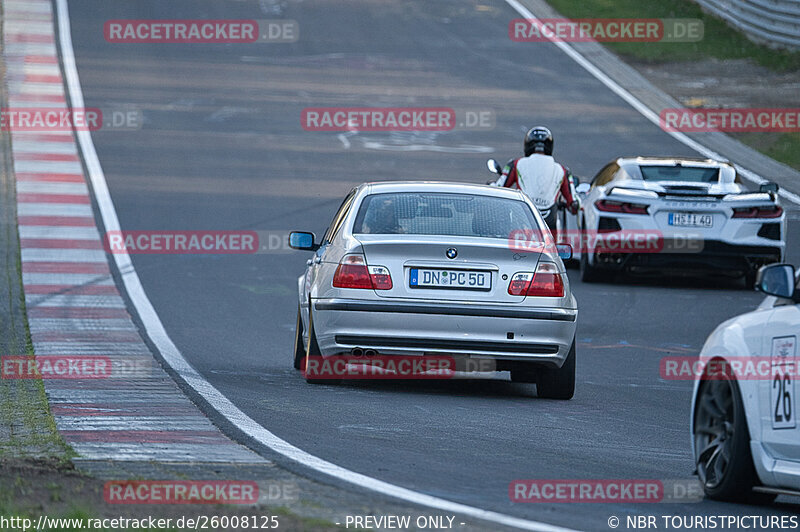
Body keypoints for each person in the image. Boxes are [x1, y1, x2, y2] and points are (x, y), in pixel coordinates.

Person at [495, 126, 578, 230]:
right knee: (554, 244)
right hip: (550, 220)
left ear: (528, 144)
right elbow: (574, 204)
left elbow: (498, 188)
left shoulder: (516, 164)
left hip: (523, 217)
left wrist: (491, 185)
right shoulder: (562, 170)